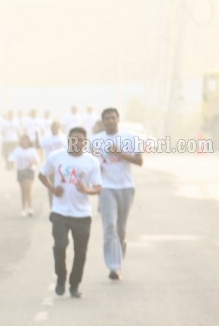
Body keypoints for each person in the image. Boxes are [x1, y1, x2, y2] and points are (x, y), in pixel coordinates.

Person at [38, 127, 102, 298]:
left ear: (85, 142)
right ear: (68, 141)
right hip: (60, 211)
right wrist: (52, 189)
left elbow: (98, 188)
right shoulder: (56, 156)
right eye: (73, 139)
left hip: (82, 214)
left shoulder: (92, 161)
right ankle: (61, 278)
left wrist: (85, 190)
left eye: (80, 140)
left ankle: (74, 285)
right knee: (60, 245)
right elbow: (42, 174)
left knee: (80, 252)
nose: (76, 143)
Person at [90, 108, 143, 280]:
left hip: (126, 187)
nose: (110, 121)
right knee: (110, 226)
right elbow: (91, 165)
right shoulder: (95, 141)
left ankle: (119, 258)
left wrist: (119, 153)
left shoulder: (129, 138)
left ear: (118, 119)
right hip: (106, 188)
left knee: (120, 228)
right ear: (103, 122)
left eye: (113, 118)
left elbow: (139, 161)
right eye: (107, 119)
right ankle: (114, 266)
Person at [8, 134, 41, 217]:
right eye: (23, 140)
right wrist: (11, 164)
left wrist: (32, 162)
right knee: (23, 191)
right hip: (20, 170)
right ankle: (24, 208)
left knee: (28, 189)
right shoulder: (17, 150)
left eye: (26, 140)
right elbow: (11, 158)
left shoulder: (32, 150)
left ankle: (30, 208)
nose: (24, 142)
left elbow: (37, 160)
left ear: (29, 141)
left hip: (29, 170)